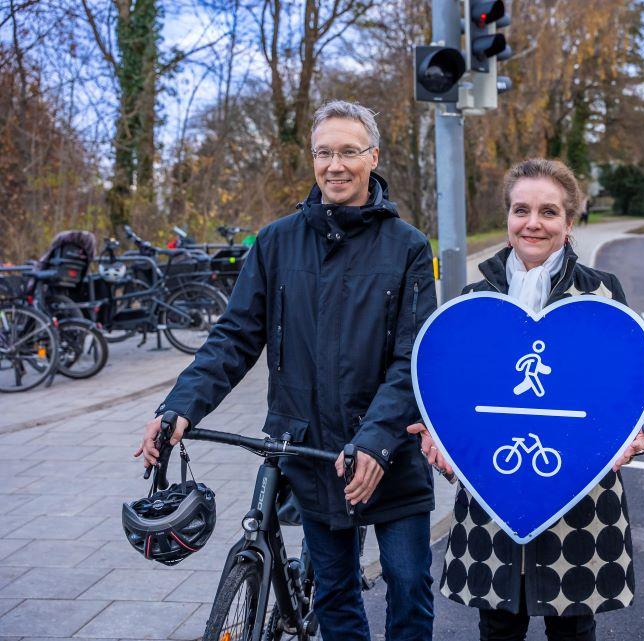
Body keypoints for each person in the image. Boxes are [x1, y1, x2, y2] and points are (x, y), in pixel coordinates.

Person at [135, 100, 438, 641]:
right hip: (308, 451)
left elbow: (413, 358)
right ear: (313, 159)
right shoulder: (275, 241)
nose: (335, 165)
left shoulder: (409, 247)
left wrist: (375, 441)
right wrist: (180, 407)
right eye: (324, 152)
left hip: (388, 455)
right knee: (333, 589)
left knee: (409, 584)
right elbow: (234, 336)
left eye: (349, 151)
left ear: (373, 157)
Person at [408, 158, 644, 641]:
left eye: (549, 211)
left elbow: (639, 403)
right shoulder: (473, 300)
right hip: (491, 500)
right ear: (507, 219)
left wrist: (639, 439)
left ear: (569, 223)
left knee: (572, 631)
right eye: (521, 209)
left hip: (579, 505)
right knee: (497, 627)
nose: (533, 222)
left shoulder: (604, 294)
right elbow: (456, 406)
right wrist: (440, 446)